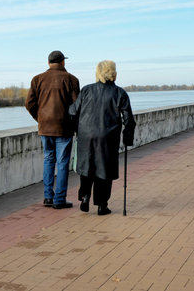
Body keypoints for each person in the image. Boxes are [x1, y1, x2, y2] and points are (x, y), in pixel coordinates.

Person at [69, 60, 135, 215]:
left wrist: (77, 129)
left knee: (87, 166)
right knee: (104, 170)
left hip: (86, 135)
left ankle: (85, 197)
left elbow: (72, 112)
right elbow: (129, 120)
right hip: (108, 137)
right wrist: (127, 138)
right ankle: (101, 205)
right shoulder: (120, 93)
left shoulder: (86, 90)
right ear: (114, 74)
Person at [25, 50, 80, 209]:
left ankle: (48, 197)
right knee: (62, 163)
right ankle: (59, 199)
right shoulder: (71, 80)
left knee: (49, 160)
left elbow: (29, 104)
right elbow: (77, 106)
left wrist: (40, 118)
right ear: (63, 62)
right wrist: (74, 125)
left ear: (49, 63)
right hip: (63, 128)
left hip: (45, 128)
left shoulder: (37, 79)